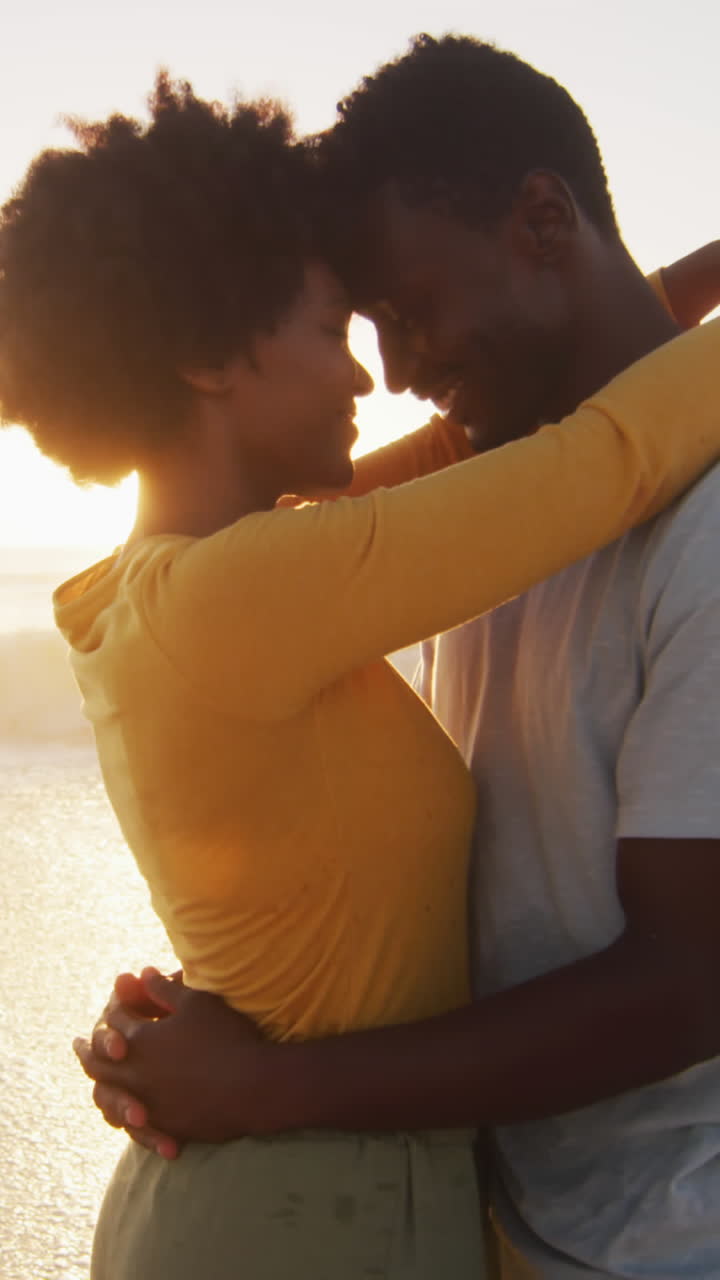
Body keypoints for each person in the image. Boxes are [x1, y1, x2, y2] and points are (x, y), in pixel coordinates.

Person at [73, 36, 720, 1280]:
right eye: (351, 324)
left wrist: (273, 1078)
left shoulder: (686, 522)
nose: (397, 370)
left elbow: (691, 982)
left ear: (542, 219)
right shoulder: (480, 500)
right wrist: (248, 1008)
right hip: (482, 1207)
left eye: (407, 312)